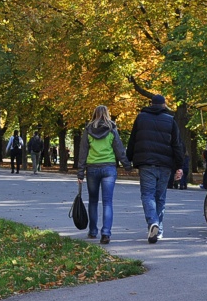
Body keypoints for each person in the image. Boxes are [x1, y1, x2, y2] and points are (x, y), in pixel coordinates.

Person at [126, 94, 184, 244]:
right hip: (165, 164)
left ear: (151, 104)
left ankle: (154, 223)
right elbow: (177, 145)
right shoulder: (170, 120)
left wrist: (129, 158)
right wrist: (179, 166)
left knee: (147, 195)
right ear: (164, 105)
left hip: (146, 163)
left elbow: (133, 139)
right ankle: (158, 230)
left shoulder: (141, 118)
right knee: (160, 197)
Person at [77, 106, 131, 244]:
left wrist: (80, 172)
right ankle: (106, 233)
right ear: (107, 114)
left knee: (93, 201)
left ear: (94, 114)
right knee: (107, 202)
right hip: (109, 168)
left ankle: (93, 231)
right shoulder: (112, 129)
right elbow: (119, 148)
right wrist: (126, 165)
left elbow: (83, 152)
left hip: (92, 168)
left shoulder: (88, 130)